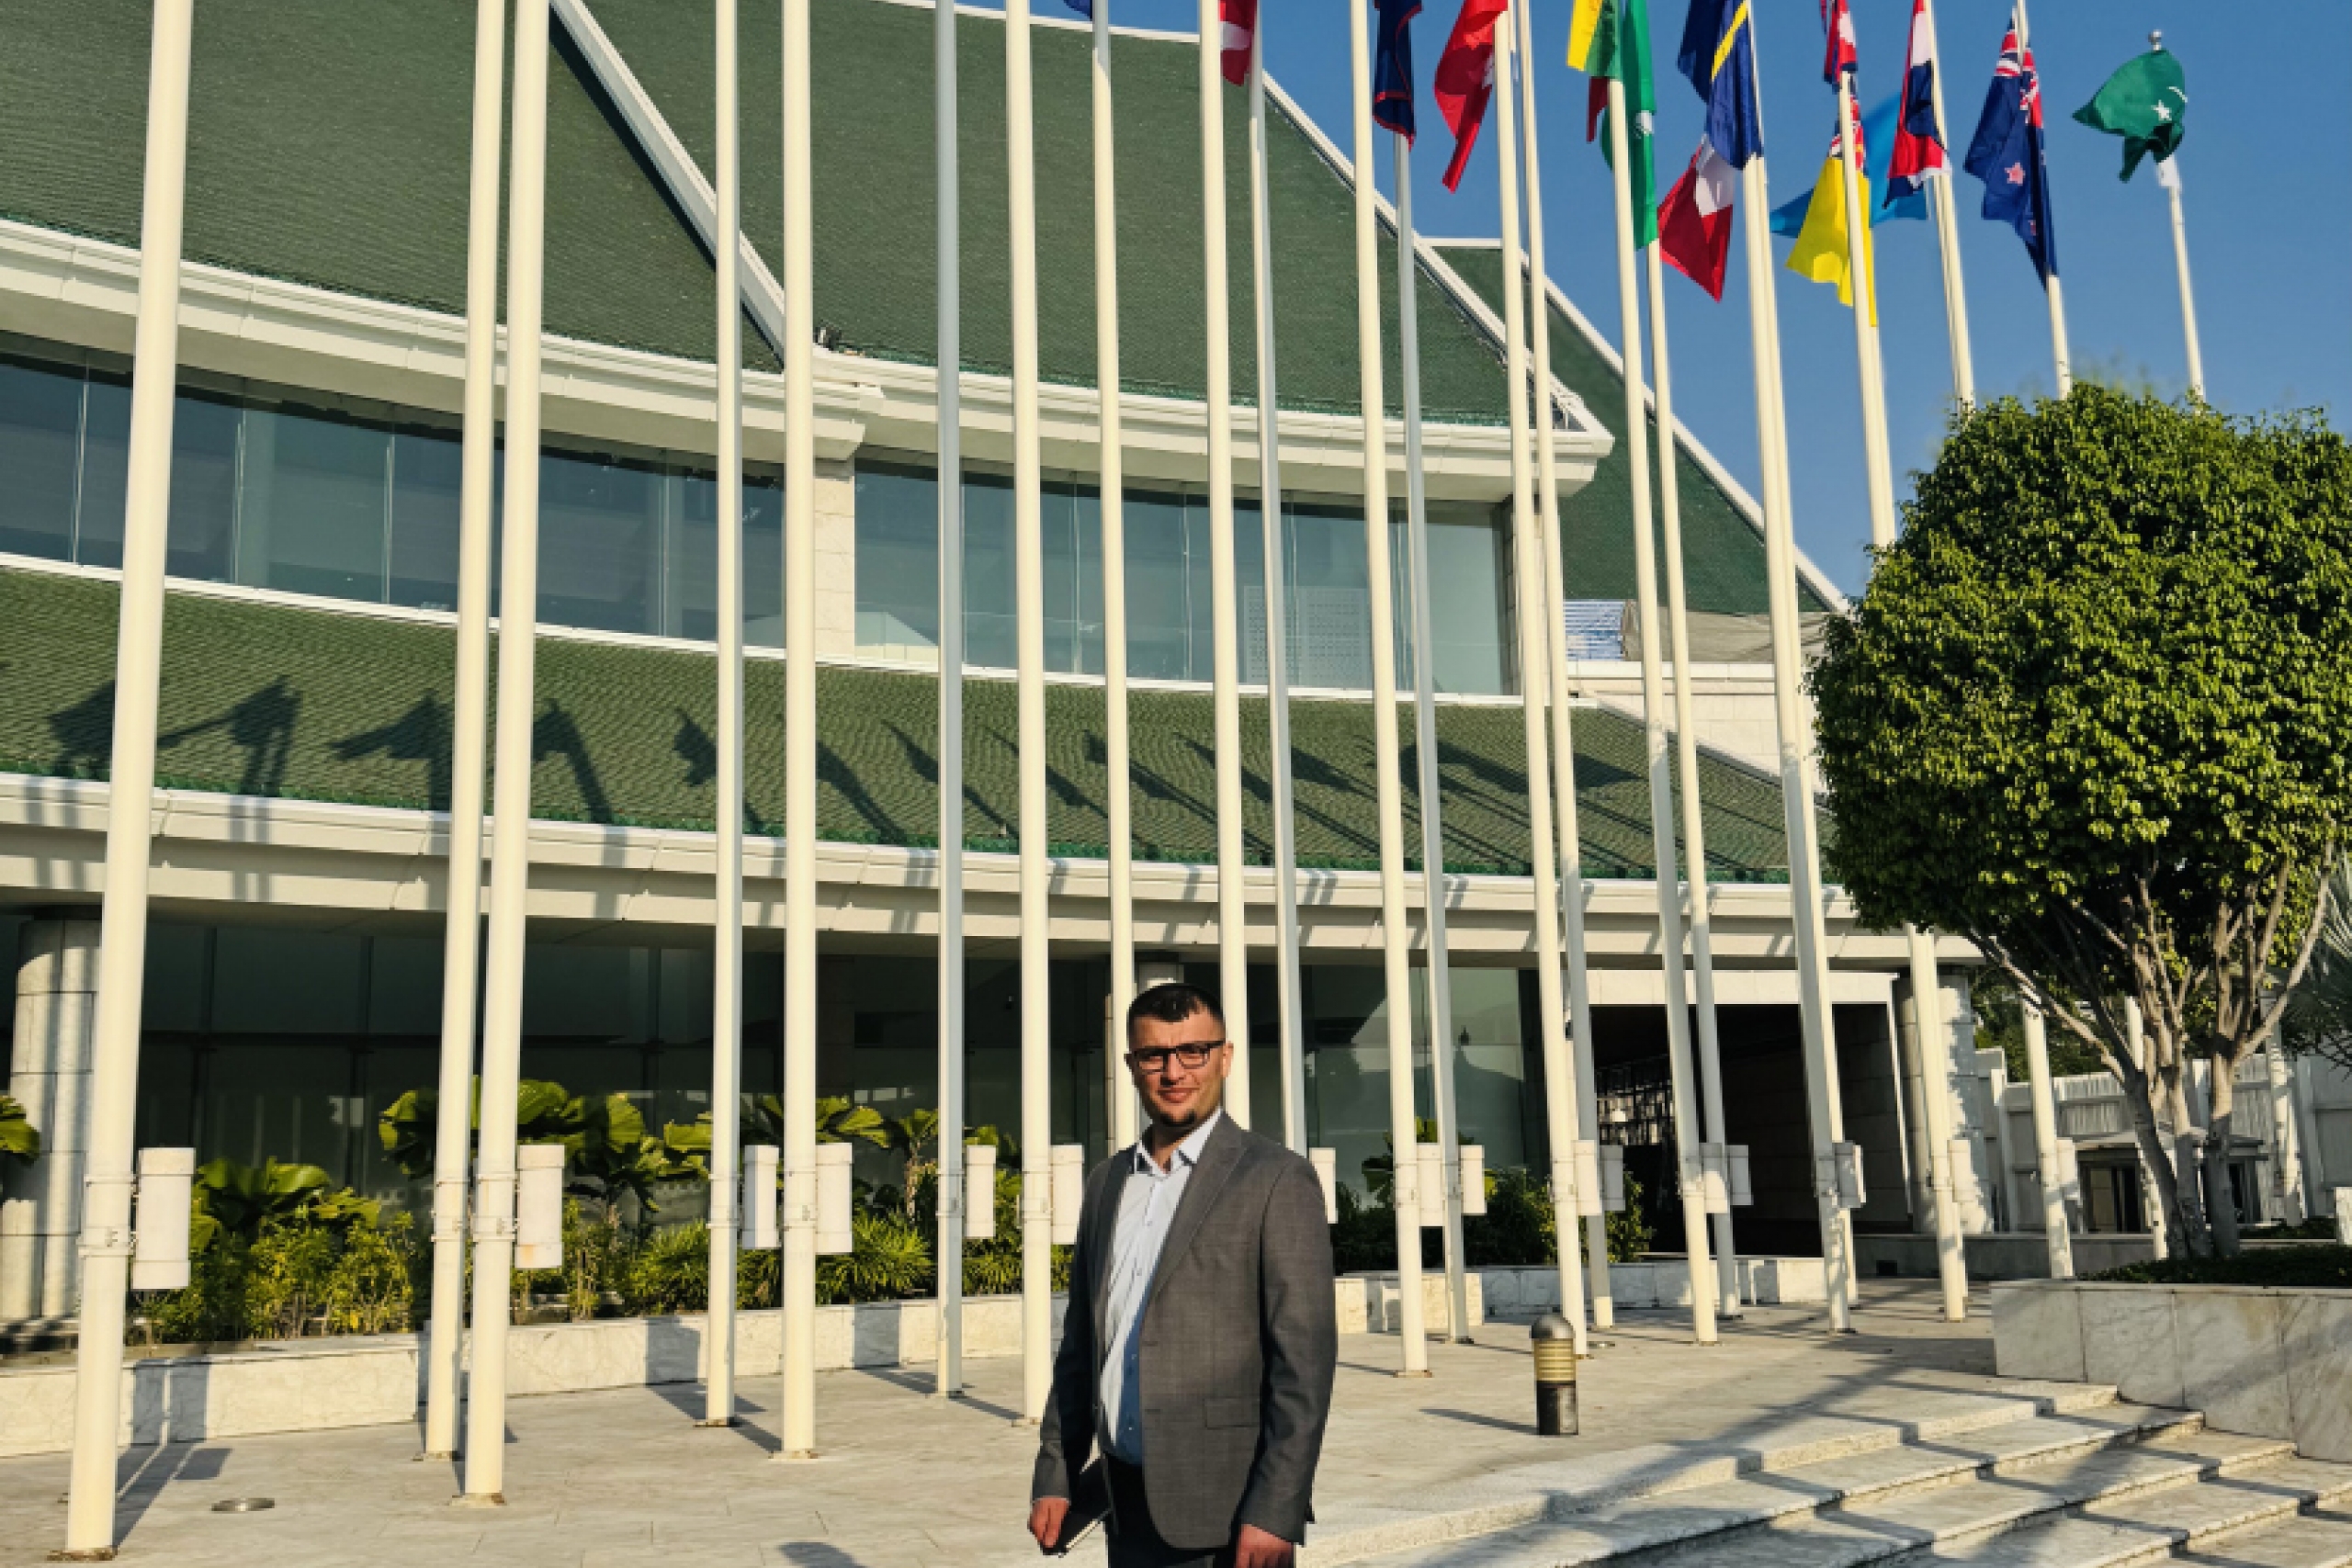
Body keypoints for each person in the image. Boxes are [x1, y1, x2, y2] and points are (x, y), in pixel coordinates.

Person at [1027, 981, 1337, 1567]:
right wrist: (1056, 1473)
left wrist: (1276, 1509)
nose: (1175, 1071)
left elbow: (1305, 1364)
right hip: (1123, 1505)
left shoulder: (1276, 1180)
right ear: (1131, 1066)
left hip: (1228, 1519)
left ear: (1225, 1056)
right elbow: (1080, 1349)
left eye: (1193, 1051)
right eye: (1154, 1056)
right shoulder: (1106, 1183)